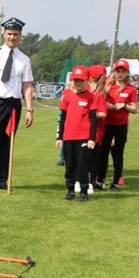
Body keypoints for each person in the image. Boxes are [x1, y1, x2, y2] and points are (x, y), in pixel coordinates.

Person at [0, 17, 35, 190]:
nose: (12, 37)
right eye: (9, 34)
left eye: (15, 34)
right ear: (4, 34)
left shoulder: (24, 59)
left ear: (20, 36)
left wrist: (29, 109)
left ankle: (3, 179)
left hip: (13, 104)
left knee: (7, 142)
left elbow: (27, 86)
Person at [56, 65, 100, 202]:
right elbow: (62, 118)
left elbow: (93, 120)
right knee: (70, 166)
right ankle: (70, 191)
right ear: (72, 81)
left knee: (82, 165)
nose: (78, 83)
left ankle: (84, 192)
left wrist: (92, 138)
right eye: (76, 80)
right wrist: (59, 137)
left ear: (87, 81)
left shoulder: (91, 97)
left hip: (84, 137)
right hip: (69, 137)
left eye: (81, 80)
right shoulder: (67, 97)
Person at [97, 59, 138, 190]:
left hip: (121, 125)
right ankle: (100, 181)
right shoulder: (107, 87)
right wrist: (106, 105)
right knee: (103, 153)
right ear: (114, 72)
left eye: (123, 71)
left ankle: (115, 182)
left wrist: (124, 105)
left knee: (117, 154)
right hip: (107, 123)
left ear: (127, 73)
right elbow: (99, 100)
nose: (120, 74)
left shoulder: (131, 89)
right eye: (118, 71)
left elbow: (135, 109)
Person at [86, 65, 109, 193]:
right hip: (85, 129)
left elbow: (103, 113)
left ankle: (92, 181)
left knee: (93, 158)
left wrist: (88, 113)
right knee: (86, 157)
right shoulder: (87, 90)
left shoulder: (99, 94)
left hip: (96, 131)